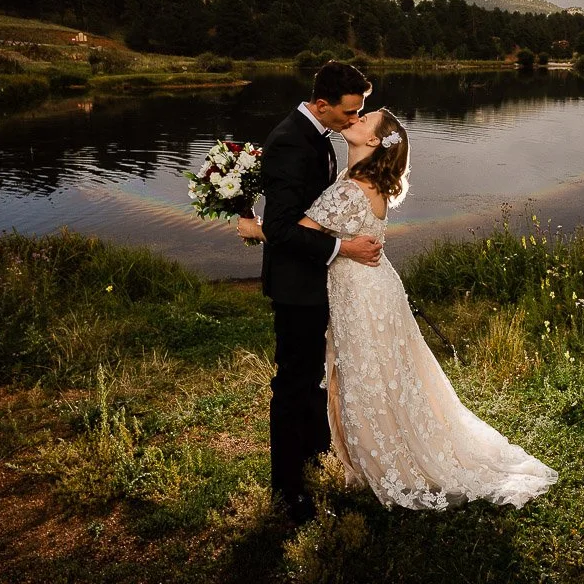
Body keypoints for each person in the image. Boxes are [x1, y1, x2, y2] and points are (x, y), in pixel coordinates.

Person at [248, 107, 557, 511]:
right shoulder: (369, 181)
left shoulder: (350, 188)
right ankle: (392, 443)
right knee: (389, 370)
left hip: (360, 291)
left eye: (364, 119)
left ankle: (387, 456)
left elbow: (291, 233)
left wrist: (249, 223)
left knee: (369, 372)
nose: (354, 120)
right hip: (378, 286)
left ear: (373, 141)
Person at [237, 60, 381, 524]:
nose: (354, 120)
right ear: (322, 104)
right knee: (293, 383)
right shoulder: (288, 142)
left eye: (360, 112)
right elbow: (279, 229)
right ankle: (288, 486)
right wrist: (344, 246)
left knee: (314, 376)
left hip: (315, 280)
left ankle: (316, 452)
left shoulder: (316, 135)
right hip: (296, 286)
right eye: (348, 112)